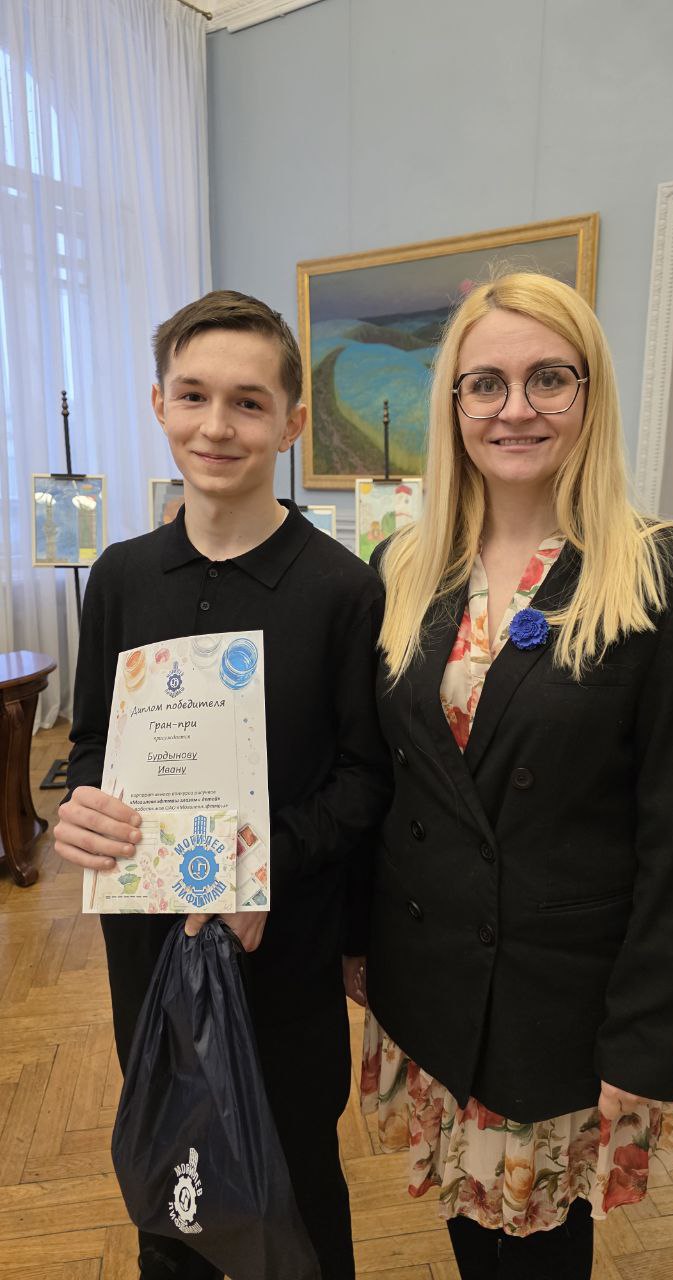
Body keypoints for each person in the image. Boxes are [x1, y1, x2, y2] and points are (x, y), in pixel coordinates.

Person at [348, 272, 673, 1280]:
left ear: (589, 392)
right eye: (486, 384)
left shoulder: (666, 579)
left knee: (540, 1252)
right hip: (429, 978)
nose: (515, 408)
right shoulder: (404, 566)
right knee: (470, 1234)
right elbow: (389, 781)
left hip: (559, 1004)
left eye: (548, 378)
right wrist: (354, 942)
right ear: (453, 405)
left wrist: (643, 1043)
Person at [54, 290, 391, 1280]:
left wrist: (260, 867)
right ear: (158, 403)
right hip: (149, 942)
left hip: (280, 942)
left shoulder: (342, 589)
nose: (215, 425)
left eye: (248, 402)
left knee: (294, 1182)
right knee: (173, 1175)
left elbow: (365, 778)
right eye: (193, 395)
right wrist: (81, 808)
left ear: (291, 423)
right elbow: (92, 743)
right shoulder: (120, 576)